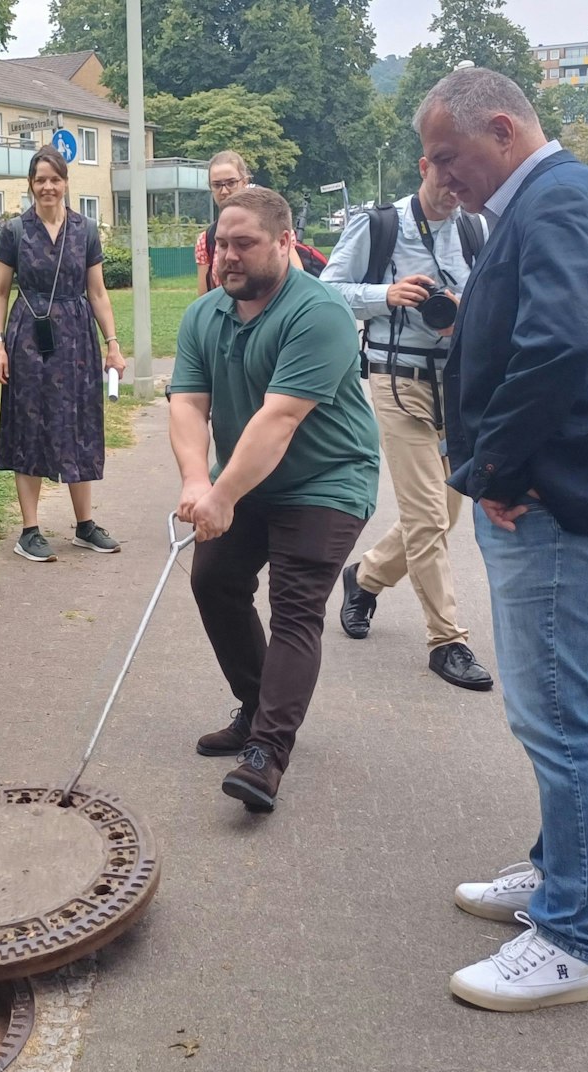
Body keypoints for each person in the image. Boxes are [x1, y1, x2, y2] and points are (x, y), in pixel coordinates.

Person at [416, 67, 588, 1012]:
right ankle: (556, 869)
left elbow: (558, 342)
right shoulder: (556, 198)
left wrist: (495, 470)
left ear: (506, 130)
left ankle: (572, 936)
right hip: (561, 498)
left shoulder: (560, 199)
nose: (442, 178)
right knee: (549, 710)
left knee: (557, 718)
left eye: (450, 156)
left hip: (558, 503)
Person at [169, 186, 380, 814]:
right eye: (221, 246)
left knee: (294, 607)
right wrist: (194, 482)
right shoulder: (203, 316)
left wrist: (222, 492)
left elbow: (280, 419)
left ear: (286, 243)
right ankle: (257, 703)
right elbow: (188, 403)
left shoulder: (319, 313)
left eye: (245, 244)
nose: (228, 258)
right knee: (215, 581)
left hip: (326, 481)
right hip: (247, 476)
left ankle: (267, 752)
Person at [320, 157, 494, 691]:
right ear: (424, 167)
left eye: (463, 181)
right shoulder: (378, 226)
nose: (454, 189)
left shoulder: (476, 226)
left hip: (458, 385)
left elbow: (498, 298)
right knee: (425, 515)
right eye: (446, 178)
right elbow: (326, 290)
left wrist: (468, 306)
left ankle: (365, 577)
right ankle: (448, 640)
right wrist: (385, 295)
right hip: (397, 381)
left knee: (447, 511)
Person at [0, 147, 127, 562]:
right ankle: (29, 530)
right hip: (28, 335)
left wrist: (113, 344)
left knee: (77, 423)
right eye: (40, 179)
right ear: (30, 185)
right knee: (29, 424)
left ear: (66, 183)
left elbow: (98, 292)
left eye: (55, 179)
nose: (48, 187)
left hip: (76, 339)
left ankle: (84, 525)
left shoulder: (85, 231)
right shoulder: (15, 231)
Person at [196, 151, 252, 295]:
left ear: (244, 182)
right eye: (217, 185)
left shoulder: (271, 225)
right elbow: (204, 300)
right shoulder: (206, 239)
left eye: (231, 183)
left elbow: (296, 283)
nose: (224, 191)